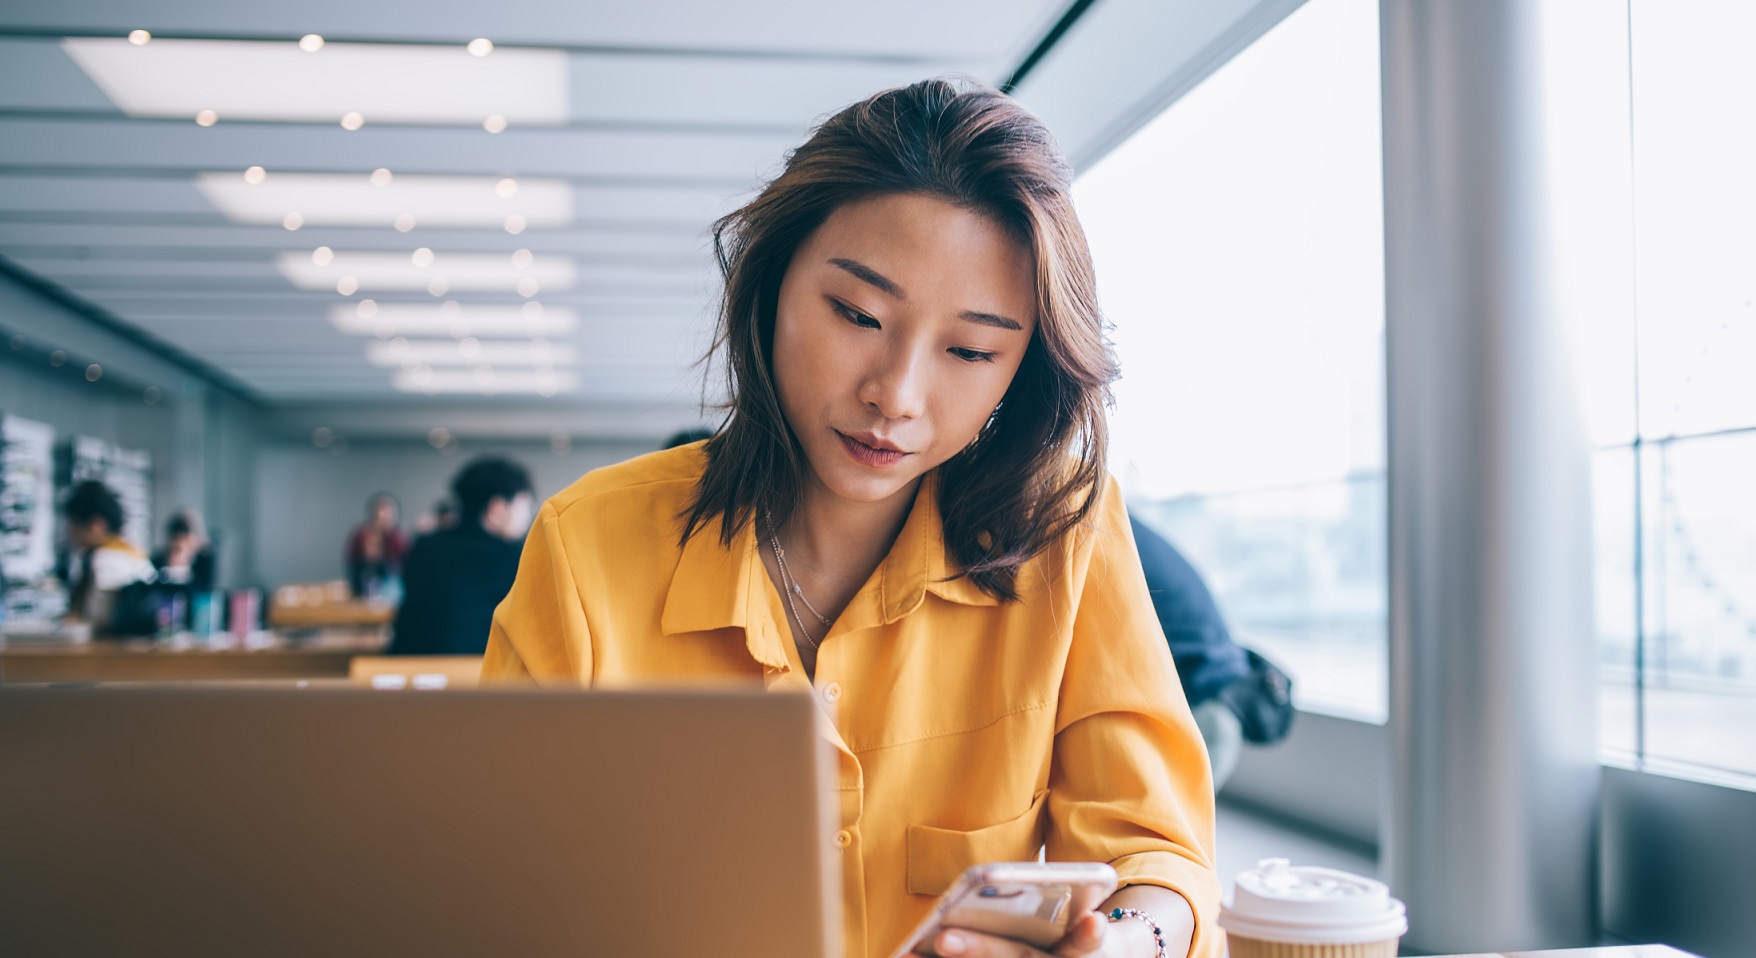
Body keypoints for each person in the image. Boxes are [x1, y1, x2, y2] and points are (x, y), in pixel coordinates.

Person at [485, 79, 1220, 958]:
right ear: (772, 285)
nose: (897, 396)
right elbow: (504, 891)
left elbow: (1158, 853)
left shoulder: (1060, 530)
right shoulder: (587, 546)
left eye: (971, 351)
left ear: (1020, 369)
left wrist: (1128, 941)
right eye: (857, 314)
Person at [1129, 515, 1252, 789]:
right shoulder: (1116, 519)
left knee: (1165, 824)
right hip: (1212, 699)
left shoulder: (1097, 519)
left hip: (1207, 709)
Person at [388, 457, 533, 656]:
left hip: (409, 669)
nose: (527, 517)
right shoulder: (513, 557)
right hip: (477, 675)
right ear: (497, 507)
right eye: (523, 507)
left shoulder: (425, 546)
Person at [62, 479, 157, 634]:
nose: (69, 532)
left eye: (73, 524)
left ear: (95, 525)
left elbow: (98, 619)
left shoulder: (105, 559)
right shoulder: (128, 550)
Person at [344, 492, 409, 598]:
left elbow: (404, 567)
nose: (385, 519)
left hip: (396, 593)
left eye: (389, 514)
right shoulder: (361, 536)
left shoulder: (399, 539)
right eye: (381, 514)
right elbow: (355, 568)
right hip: (365, 593)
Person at [152, 508, 216, 593]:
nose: (184, 552)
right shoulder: (155, 568)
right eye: (177, 548)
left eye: (189, 547)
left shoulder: (201, 569)